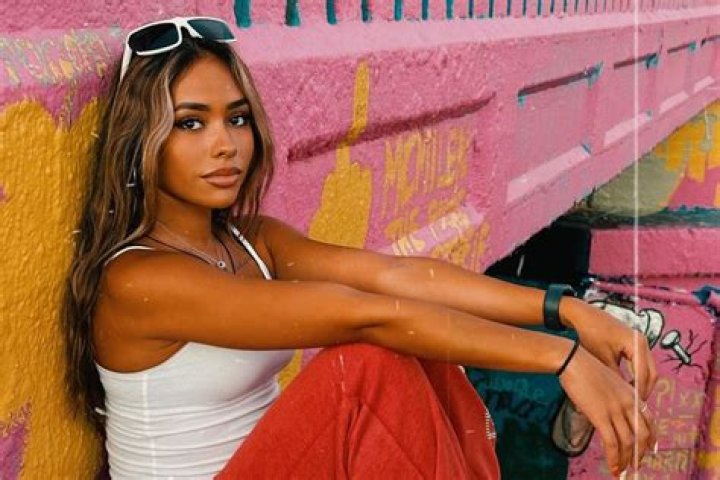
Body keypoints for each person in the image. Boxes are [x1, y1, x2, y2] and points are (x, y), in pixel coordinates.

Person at [62, 16, 657, 479]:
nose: (225, 144)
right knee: (365, 367)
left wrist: (565, 309)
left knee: (421, 342)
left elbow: (394, 277)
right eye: (191, 123)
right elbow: (365, 315)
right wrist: (562, 359)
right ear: (142, 139)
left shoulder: (251, 240)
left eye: (236, 119)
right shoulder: (138, 280)